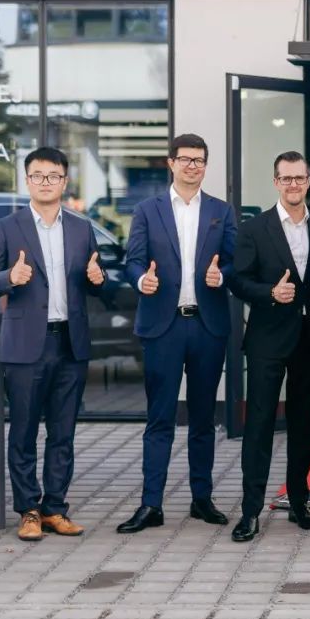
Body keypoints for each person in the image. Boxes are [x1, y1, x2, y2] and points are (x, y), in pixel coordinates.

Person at [0, 147, 105, 541]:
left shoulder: (82, 229)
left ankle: (55, 509)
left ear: (65, 181)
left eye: (53, 176)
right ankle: (28, 510)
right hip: (24, 347)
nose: (45, 182)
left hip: (69, 343)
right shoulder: (7, 227)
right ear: (27, 180)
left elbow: (94, 284)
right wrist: (9, 278)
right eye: (38, 175)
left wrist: (98, 279)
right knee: (24, 432)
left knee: (63, 433)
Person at [116, 134, 238, 534]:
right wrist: (142, 281)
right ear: (170, 163)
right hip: (162, 326)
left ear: (205, 165)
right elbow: (133, 261)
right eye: (185, 159)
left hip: (207, 325)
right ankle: (151, 504)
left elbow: (235, 262)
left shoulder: (221, 211)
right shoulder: (147, 210)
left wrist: (223, 276)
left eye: (199, 160)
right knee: (160, 418)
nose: (192, 166)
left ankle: (202, 499)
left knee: (203, 418)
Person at [228, 151, 310, 542]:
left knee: (302, 425)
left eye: (299, 178)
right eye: (286, 178)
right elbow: (238, 280)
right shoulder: (254, 228)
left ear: (308, 181)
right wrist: (269, 292)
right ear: (275, 182)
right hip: (267, 338)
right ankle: (250, 510)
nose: (293, 184)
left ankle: (299, 501)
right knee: (260, 424)